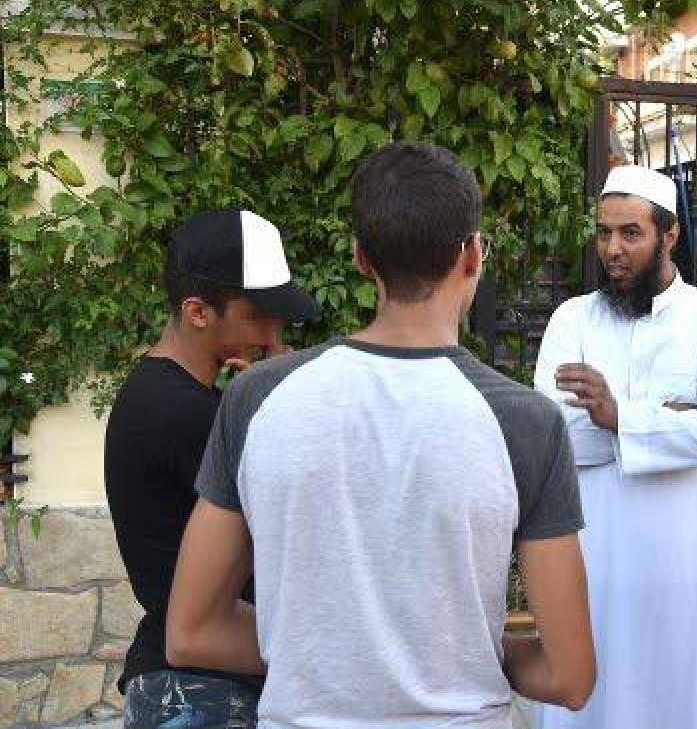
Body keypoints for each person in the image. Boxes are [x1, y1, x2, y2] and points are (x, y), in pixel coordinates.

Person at [165, 142, 596, 728]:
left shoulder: (258, 398)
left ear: (361, 258)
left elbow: (191, 632)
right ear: (472, 255)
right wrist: (464, 651)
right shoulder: (525, 421)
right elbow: (570, 678)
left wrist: (323, 660)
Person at [531, 165, 697, 729]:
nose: (613, 248)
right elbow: (551, 437)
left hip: (683, 569)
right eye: (604, 232)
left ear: (669, 235)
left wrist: (618, 416)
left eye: (630, 233)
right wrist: (668, 424)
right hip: (591, 563)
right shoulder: (572, 320)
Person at [105, 207, 320, 728]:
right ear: (198, 312)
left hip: (184, 679)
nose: (273, 332)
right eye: (258, 314)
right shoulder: (189, 414)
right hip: (202, 689)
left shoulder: (158, 393)